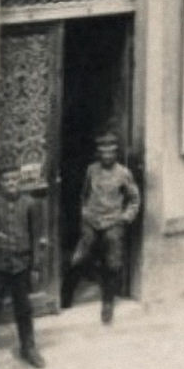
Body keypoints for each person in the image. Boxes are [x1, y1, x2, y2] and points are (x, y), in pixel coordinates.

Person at [62, 132, 139, 325]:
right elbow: (84, 194)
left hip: (113, 222)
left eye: (111, 152)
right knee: (79, 257)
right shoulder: (91, 170)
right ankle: (65, 296)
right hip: (91, 221)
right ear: (99, 153)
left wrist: (125, 217)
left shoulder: (123, 173)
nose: (107, 156)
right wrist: (84, 212)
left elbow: (134, 199)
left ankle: (108, 304)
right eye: (103, 152)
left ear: (115, 153)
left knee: (112, 263)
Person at [0, 167, 46, 369]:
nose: (11, 184)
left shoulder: (30, 204)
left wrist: (35, 266)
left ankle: (28, 348)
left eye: (15, 179)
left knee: (23, 309)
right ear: (0, 183)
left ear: (20, 181)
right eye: (6, 180)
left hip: (21, 265)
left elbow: (36, 237)